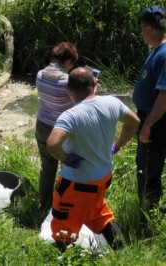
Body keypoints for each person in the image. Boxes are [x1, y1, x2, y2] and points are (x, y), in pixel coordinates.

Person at [47, 67, 140, 250]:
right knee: (97, 213)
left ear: (70, 91)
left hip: (76, 182)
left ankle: (61, 259)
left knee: (64, 223)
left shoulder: (70, 116)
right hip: (103, 177)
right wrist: (117, 145)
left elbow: (52, 143)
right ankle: (123, 252)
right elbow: (134, 122)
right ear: (94, 84)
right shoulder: (112, 102)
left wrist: (66, 159)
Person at [35, 42, 78, 213]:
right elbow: (81, 103)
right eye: (73, 63)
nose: (72, 66)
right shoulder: (67, 81)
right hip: (60, 130)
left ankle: (44, 205)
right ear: (67, 60)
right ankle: (64, 206)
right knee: (67, 168)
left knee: (47, 168)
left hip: (42, 125)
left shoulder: (40, 74)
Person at [133, 5, 166, 213]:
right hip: (150, 118)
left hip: (156, 121)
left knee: (147, 169)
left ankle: (148, 215)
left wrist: (148, 125)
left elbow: (164, 96)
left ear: (149, 29)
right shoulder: (157, 51)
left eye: (142, 29)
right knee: (148, 164)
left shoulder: (164, 55)